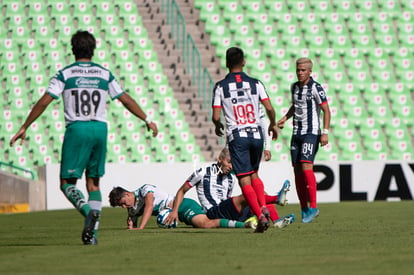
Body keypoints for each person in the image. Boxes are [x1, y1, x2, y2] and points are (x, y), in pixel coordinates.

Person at [9, 30, 158, 245]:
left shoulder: (65, 74)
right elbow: (124, 98)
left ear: (72, 49)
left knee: (67, 183)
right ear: (94, 49)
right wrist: (147, 119)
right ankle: (92, 236)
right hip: (99, 129)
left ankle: (88, 211)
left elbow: (44, 100)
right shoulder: (104, 74)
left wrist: (25, 125)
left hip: (77, 128)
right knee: (93, 184)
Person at [211, 47, 279, 233]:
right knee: (254, 174)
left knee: (244, 180)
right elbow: (270, 108)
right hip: (256, 135)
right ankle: (264, 206)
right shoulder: (256, 83)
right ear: (244, 62)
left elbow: (216, 116)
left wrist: (218, 126)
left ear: (226, 63)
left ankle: (261, 215)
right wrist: (272, 124)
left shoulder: (220, 87)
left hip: (237, 136)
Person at [166, 147, 295, 230]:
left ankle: (276, 221)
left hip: (228, 211)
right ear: (220, 159)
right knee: (248, 196)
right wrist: (175, 211)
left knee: (260, 194)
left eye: (233, 163)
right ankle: (276, 198)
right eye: (229, 162)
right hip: (213, 212)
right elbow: (181, 191)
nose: (231, 166)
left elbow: (228, 199)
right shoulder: (202, 172)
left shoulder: (231, 178)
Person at [277, 57, 331, 223]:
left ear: (310, 71)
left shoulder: (316, 87)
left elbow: (326, 110)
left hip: (311, 133)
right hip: (296, 133)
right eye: (298, 70)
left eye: (303, 70)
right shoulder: (294, 87)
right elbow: (296, 105)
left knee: (306, 165)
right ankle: (304, 208)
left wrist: (325, 132)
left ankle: (313, 206)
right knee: (297, 171)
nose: (300, 73)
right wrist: (285, 117)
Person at [109, 184, 248, 229]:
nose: (123, 206)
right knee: (206, 222)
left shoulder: (145, 190)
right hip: (178, 213)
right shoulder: (133, 207)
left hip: (182, 205)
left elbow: (149, 206)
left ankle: (244, 225)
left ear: (127, 194)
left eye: (122, 203)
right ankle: (242, 218)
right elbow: (132, 218)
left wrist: (140, 228)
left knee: (206, 224)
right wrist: (131, 224)